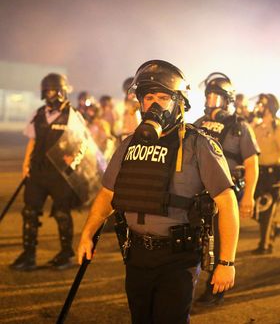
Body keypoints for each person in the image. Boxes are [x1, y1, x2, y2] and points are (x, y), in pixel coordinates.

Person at [78, 60, 239, 324]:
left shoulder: (199, 145)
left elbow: (227, 202)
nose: (154, 104)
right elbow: (107, 194)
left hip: (177, 259)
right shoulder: (128, 144)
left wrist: (226, 263)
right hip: (136, 255)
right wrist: (87, 234)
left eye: (163, 97)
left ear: (179, 103)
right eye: (149, 97)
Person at [194, 72, 259, 306]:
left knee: (221, 241)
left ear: (228, 101)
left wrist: (248, 196)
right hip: (198, 192)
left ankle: (216, 288)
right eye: (209, 97)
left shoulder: (240, 127)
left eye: (216, 98)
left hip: (224, 194)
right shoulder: (199, 124)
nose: (210, 102)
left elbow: (252, 164)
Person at [10, 73, 81, 271]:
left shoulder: (73, 115)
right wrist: (25, 165)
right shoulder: (38, 114)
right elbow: (32, 140)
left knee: (61, 213)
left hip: (60, 174)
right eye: (48, 91)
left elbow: (83, 143)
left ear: (63, 91)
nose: (51, 95)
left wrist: (73, 160)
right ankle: (28, 255)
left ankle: (65, 254)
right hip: (38, 172)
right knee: (29, 212)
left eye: (55, 90)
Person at [252, 93, 280, 254]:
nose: (258, 107)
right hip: (258, 173)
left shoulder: (278, 128)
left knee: (267, 209)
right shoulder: (255, 127)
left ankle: (264, 245)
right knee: (255, 209)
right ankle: (274, 227)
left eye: (261, 105)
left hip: (273, 174)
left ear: (269, 108)